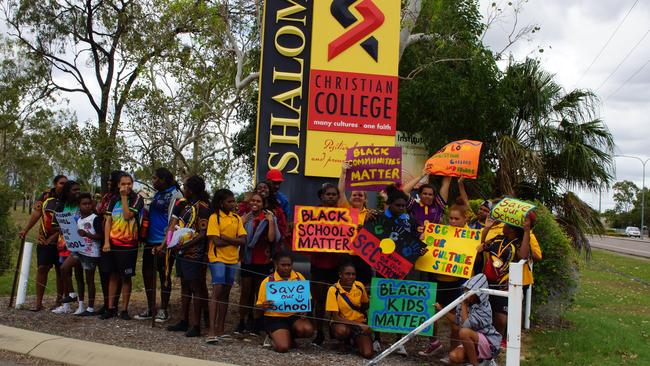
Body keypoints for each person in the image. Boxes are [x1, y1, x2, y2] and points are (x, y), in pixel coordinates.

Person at [420, 198, 473, 357]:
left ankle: (452, 351)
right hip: (437, 282)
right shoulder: (440, 232)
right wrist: (424, 235)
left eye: (457, 219)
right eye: (451, 218)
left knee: (455, 321)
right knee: (431, 314)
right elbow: (427, 247)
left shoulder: (471, 236)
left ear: (465, 219)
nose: (453, 221)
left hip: (456, 284)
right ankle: (434, 343)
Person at [161, 175, 211, 337]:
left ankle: (196, 325)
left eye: (185, 187)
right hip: (180, 251)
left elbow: (203, 233)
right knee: (184, 286)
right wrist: (169, 244)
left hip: (194, 254)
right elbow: (174, 226)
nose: (183, 189)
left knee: (196, 288)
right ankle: (184, 320)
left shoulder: (202, 207)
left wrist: (185, 245)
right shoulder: (184, 205)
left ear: (191, 190)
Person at [135, 168, 183, 323]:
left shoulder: (176, 195)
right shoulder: (157, 194)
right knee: (147, 273)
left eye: (155, 178)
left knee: (164, 276)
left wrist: (167, 243)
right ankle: (151, 307)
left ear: (163, 180)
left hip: (165, 242)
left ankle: (163, 309)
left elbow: (175, 220)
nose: (152, 181)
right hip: (150, 240)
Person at [477, 215, 532, 342]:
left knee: (501, 319)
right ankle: (484, 342)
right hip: (487, 282)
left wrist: (527, 231)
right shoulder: (498, 238)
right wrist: (486, 229)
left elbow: (523, 256)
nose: (503, 226)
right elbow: (482, 245)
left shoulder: (519, 243)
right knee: (485, 314)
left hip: (504, 285)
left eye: (506, 225)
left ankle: (496, 343)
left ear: (512, 229)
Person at [19, 175, 67, 311]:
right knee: (42, 268)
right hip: (44, 239)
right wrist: (25, 230)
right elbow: (36, 213)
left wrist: (56, 235)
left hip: (62, 240)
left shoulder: (69, 198)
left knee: (61, 270)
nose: (63, 185)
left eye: (66, 183)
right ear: (55, 183)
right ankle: (38, 303)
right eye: (61, 183)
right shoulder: (46, 195)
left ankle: (59, 301)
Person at [237, 192, 281, 335]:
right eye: (253, 201)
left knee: (259, 293)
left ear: (263, 204)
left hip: (263, 260)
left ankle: (257, 323)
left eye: (258, 201)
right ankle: (241, 322)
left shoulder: (269, 217)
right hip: (247, 259)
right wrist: (241, 222)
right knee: (245, 293)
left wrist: (271, 222)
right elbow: (236, 234)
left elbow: (272, 238)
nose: (255, 203)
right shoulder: (245, 217)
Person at [101, 172, 144, 320]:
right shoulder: (113, 199)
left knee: (126, 277)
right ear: (118, 185)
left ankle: (124, 309)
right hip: (113, 243)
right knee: (112, 276)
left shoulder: (137, 199)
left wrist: (125, 197)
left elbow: (127, 216)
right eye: (123, 184)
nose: (126, 186)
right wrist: (106, 242)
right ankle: (111, 307)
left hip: (128, 244)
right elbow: (108, 221)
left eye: (129, 183)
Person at [206, 189, 247, 342]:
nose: (233, 204)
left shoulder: (236, 218)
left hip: (232, 259)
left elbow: (243, 240)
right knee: (217, 291)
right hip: (217, 258)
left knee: (226, 294)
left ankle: (220, 329)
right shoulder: (214, 218)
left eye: (233, 201)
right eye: (230, 201)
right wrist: (233, 240)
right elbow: (216, 242)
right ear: (221, 202)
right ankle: (211, 330)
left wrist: (226, 237)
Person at [256, 250, 314, 353]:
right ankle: (272, 337)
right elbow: (258, 306)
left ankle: (288, 337)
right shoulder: (268, 281)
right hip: (275, 318)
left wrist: (305, 310)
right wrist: (263, 306)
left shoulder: (299, 277)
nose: (286, 267)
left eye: (289, 265)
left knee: (308, 330)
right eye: (283, 265)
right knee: (282, 348)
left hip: (294, 316)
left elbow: (307, 299)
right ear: (276, 264)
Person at [437, 274, 500, 366]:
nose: (466, 293)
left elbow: (466, 326)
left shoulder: (484, 307)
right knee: (454, 357)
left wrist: (463, 305)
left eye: (469, 290)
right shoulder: (466, 303)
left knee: (464, 332)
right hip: (470, 342)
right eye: (466, 289)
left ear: (478, 293)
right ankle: (479, 361)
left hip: (488, 342)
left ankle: (476, 363)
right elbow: (457, 320)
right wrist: (441, 310)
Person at [310, 183, 343, 346]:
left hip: (337, 264)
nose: (330, 196)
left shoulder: (345, 215)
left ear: (338, 197)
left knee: (336, 300)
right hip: (318, 263)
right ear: (322, 196)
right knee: (319, 300)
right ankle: (319, 333)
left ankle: (333, 330)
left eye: (333, 194)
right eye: (328, 194)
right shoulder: (311, 214)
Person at [337, 162, 376, 286]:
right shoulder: (346, 209)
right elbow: (340, 192)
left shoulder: (372, 214)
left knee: (363, 286)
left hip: (364, 256)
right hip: (347, 255)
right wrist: (343, 173)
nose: (357, 197)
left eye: (360, 195)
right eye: (354, 195)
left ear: (365, 199)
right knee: (346, 285)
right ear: (350, 198)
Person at [325, 261, 373, 359]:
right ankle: (343, 342)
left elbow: (365, 305)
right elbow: (336, 317)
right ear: (340, 275)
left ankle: (355, 341)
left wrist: (372, 300)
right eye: (347, 274)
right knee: (342, 331)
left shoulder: (359, 286)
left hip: (358, 322)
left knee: (368, 354)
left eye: (353, 274)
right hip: (342, 323)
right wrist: (359, 325)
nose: (351, 277)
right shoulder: (333, 290)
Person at [52, 181, 84, 315]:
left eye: (78, 189)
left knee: (79, 274)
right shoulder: (61, 206)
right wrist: (65, 227)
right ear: (67, 192)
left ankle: (81, 305)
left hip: (80, 243)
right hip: (64, 244)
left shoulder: (82, 204)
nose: (77, 192)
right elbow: (54, 225)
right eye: (74, 190)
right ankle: (66, 304)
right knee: (65, 273)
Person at [96, 170, 123, 315]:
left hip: (117, 238)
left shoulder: (118, 198)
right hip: (102, 237)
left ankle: (114, 304)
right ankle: (107, 303)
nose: (108, 183)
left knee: (115, 273)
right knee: (104, 272)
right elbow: (99, 211)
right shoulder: (107, 196)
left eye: (111, 180)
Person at [72, 192, 104, 316]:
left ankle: (90, 308)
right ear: (79, 206)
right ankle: (78, 302)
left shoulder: (94, 218)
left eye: (89, 204)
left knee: (89, 280)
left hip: (91, 253)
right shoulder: (79, 219)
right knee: (70, 271)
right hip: (80, 251)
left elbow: (100, 236)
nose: (87, 206)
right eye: (84, 204)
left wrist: (87, 234)